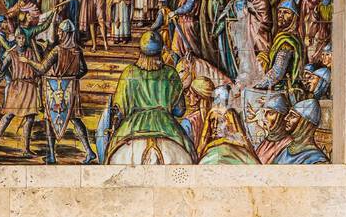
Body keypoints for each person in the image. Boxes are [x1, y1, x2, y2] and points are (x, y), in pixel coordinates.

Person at [109, 30, 194, 160]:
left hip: (132, 126)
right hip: (167, 126)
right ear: (161, 52)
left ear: (140, 52)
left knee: (109, 153)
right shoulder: (171, 73)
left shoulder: (129, 73)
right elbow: (180, 111)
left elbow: (120, 110)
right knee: (191, 153)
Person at [33, 20, 97, 164]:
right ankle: (89, 151)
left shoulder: (57, 50)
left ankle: (51, 155)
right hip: (71, 90)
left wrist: (28, 61)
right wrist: (71, 79)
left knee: (50, 119)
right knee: (75, 119)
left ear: (66, 33)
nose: (58, 33)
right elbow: (83, 70)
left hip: (55, 90)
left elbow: (42, 68)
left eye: (60, 31)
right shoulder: (77, 50)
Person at [0, 28, 44, 162]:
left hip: (30, 86)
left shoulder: (31, 52)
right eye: (19, 38)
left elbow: (40, 67)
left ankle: (25, 149)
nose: (21, 40)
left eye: (23, 38)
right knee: (8, 116)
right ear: (16, 39)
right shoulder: (11, 54)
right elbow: (2, 69)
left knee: (30, 118)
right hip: (17, 87)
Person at [199, 85, 260, 165]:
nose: (214, 126)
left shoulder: (229, 113)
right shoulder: (212, 112)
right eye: (212, 121)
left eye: (221, 121)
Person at [275, 99, 330, 164]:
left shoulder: (317, 161)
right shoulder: (287, 149)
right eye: (288, 114)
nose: (286, 118)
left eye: (293, 115)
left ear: (305, 124)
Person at [250, 92, 293, 164]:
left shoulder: (288, 144)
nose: (265, 117)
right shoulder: (267, 140)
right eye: (264, 112)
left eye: (270, 113)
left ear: (281, 117)